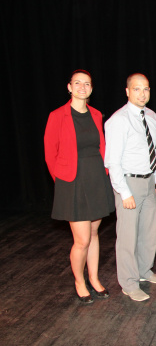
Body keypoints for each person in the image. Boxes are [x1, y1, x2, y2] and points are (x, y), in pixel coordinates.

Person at [44, 69, 115, 304]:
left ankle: (94, 278)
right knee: (82, 240)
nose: (82, 87)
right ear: (69, 87)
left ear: (91, 89)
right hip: (72, 181)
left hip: (96, 177)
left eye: (87, 84)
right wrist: (63, 180)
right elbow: (49, 154)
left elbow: (101, 145)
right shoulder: (58, 115)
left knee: (94, 233)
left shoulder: (95, 114)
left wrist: (105, 172)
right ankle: (79, 281)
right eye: (78, 83)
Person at [105, 73, 156, 302]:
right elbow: (112, 161)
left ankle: (144, 271)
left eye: (146, 89)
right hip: (129, 183)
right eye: (137, 89)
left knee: (149, 233)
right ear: (127, 91)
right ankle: (129, 283)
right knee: (128, 237)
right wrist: (124, 192)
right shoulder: (118, 120)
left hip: (150, 181)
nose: (143, 93)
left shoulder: (151, 116)